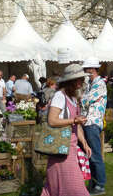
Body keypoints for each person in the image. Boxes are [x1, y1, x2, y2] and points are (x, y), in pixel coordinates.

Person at [41, 64, 91, 196]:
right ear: (70, 81)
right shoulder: (59, 96)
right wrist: (74, 120)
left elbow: (76, 125)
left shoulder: (74, 98)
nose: (81, 82)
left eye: (81, 79)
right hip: (60, 149)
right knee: (76, 188)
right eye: (78, 79)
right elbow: (52, 120)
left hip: (69, 149)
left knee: (58, 187)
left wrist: (84, 143)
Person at [81, 57, 107, 195]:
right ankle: (93, 182)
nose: (85, 72)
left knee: (95, 154)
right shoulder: (89, 84)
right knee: (89, 154)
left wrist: (80, 98)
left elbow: (86, 99)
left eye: (86, 69)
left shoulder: (100, 84)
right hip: (87, 122)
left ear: (92, 70)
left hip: (93, 122)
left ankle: (101, 184)